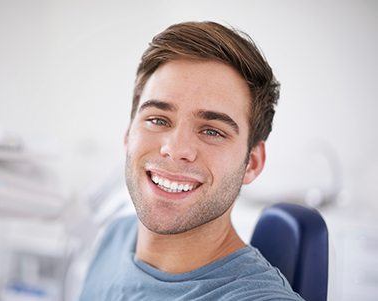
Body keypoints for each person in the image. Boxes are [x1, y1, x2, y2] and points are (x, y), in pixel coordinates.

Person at [79, 21, 304, 300]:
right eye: (158, 120)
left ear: (252, 163)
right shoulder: (116, 236)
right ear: (128, 134)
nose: (175, 149)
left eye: (212, 131)